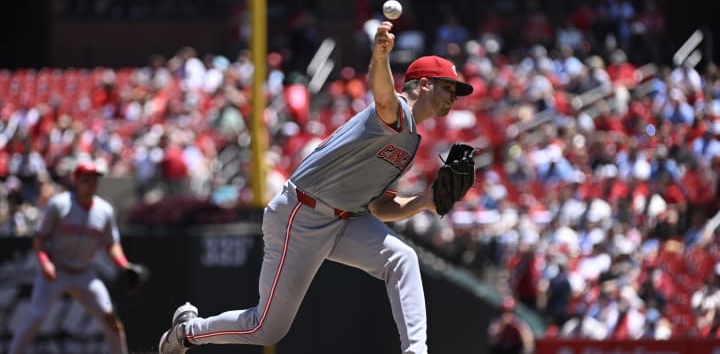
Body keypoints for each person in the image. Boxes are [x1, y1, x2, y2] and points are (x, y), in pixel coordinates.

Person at [158, 20, 475, 354]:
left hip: (346, 219)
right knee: (266, 328)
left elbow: (379, 206)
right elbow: (382, 95)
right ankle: (187, 332)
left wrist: (424, 201)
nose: (453, 97)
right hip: (301, 213)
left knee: (403, 259)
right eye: (448, 88)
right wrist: (380, 56)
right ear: (424, 85)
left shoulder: (410, 142)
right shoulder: (395, 110)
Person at [9, 160, 138, 354]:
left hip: (84, 274)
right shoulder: (59, 205)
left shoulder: (104, 210)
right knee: (35, 318)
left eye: (94, 179)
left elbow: (111, 244)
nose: (91, 184)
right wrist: (45, 264)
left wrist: (123, 264)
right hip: (56, 271)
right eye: (86, 180)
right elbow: (40, 240)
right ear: (76, 181)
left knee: (111, 320)